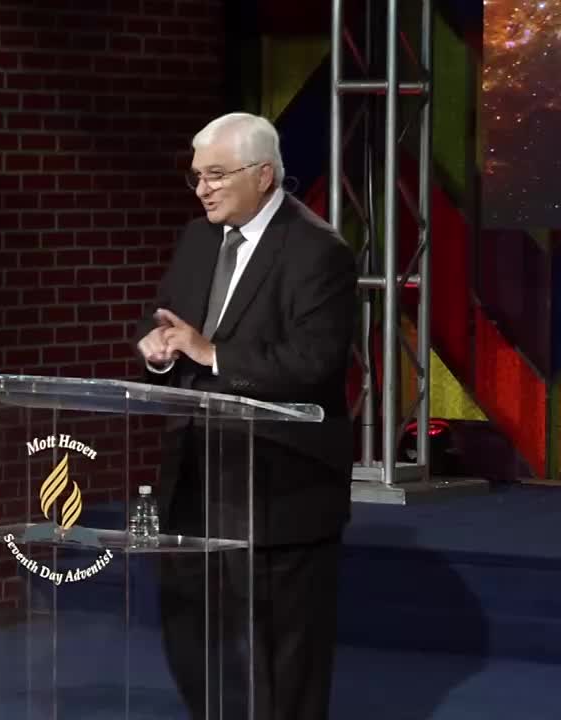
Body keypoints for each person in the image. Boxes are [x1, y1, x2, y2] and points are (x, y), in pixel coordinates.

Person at [134, 112, 358, 720]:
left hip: (280, 484)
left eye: (215, 175)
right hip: (198, 475)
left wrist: (212, 354)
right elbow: (166, 322)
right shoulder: (200, 237)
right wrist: (157, 350)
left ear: (263, 175)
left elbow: (313, 363)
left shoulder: (319, 251)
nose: (202, 188)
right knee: (190, 631)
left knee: (285, 656)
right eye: (197, 176)